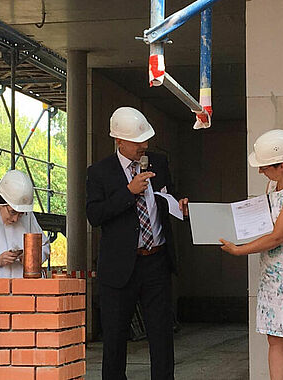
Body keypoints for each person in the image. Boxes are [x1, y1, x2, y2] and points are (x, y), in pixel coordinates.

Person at [86, 106, 188, 380]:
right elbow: (95, 215)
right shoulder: (99, 173)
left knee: (162, 337)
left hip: (157, 261)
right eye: (137, 141)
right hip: (120, 267)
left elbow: (169, 194)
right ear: (119, 141)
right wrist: (128, 193)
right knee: (116, 340)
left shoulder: (159, 163)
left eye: (145, 140)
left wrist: (180, 203)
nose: (143, 146)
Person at [220, 129, 283, 380]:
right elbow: (260, 225)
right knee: (274, 337)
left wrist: (239, 250)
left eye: (265, 167)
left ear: (282, 164)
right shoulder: (273, 186)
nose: (261, 171)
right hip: (272, 271)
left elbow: (278, 235)